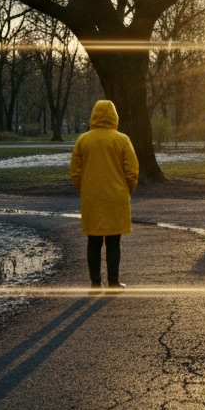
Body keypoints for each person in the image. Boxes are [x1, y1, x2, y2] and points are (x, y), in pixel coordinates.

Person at [70, 100, 139, 293]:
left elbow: (76, 172)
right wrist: (127, 192)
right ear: (114, 117)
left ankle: (94, 283)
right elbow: (132, 172)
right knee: (113, 242)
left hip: (92, 197)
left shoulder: (83, 140)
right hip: (116, 197)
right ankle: (114, 282)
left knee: (93, 242)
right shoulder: (122, 140)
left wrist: (84, 190)